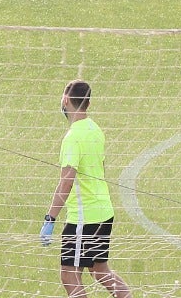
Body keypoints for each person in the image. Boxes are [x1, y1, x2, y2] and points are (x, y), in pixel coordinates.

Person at [41, 80, 132, 298]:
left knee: (69, 275)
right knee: (100, 270)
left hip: (84, 217)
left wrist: (50, 219)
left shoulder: (73, 138)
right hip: (104, 211)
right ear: (88, 103)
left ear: (65, 100)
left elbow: (66, 182)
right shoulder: (95, 130)